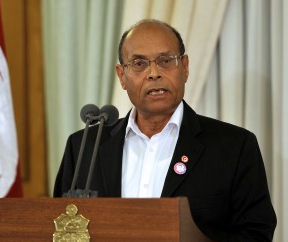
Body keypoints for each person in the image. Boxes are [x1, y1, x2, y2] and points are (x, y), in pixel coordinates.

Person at [54, 19, 277, 241]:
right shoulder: (84, 148)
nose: (154, 73)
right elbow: (57, 227)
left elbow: (255, 234)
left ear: (185, 67)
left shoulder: (233, 146)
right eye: (139, 63)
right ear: (122, 76)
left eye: (165, 60)